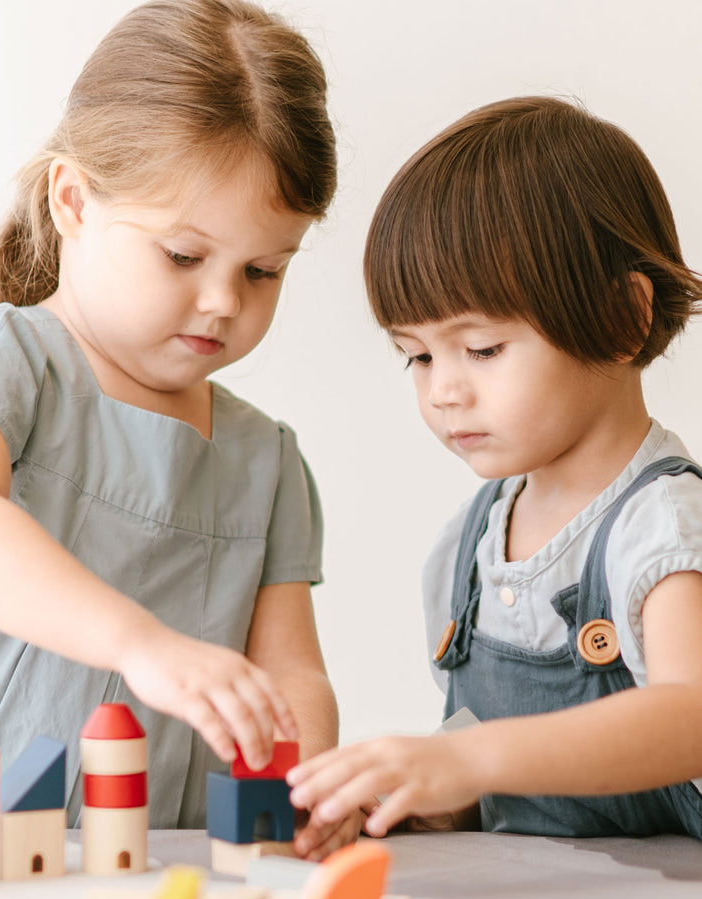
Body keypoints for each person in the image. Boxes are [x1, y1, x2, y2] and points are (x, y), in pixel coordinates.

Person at [0, 0, 355, 856]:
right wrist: (140, 645)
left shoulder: (268, 460)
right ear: (73, 201)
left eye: (263, 271)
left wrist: (308, 779)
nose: (222, 301)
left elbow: (293, 671)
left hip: (150, 857)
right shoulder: (2, 356)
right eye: (182, 255)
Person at [287, 95, 702, 840]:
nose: (444, 389)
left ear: (623, 317)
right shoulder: (472, 543)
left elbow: (689, 717)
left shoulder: (662, 528)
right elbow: (494, 778)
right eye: (417, 355)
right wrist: (411, 795)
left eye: (481, 348)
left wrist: (473, 760)